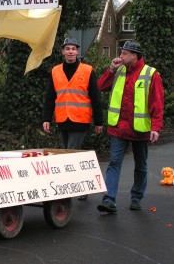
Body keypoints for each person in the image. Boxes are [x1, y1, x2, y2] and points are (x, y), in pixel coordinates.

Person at [96, 40, 164, 214]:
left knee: (140, 165)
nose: (121, 56)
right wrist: (111, 69)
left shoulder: (151, 74)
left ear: (134, 55)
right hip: (119, 128)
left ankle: (136, 197)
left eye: (124, 53)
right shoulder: (119, 71)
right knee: (114, 163)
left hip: (139, 130)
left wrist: (155, 127)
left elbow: (157, 102)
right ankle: (109, 199)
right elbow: (101, 86)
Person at [43, 38, 103, 200]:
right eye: (67, 48)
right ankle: (82, 186)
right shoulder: (55, 71)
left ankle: (72, 190)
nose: (70, 51)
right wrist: (46, 118)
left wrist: (99, 121)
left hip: (80, 119)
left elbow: (96, 97)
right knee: (71, 154)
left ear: (78, 52)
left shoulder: (87, 70)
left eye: (73, 49)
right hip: (63, 119)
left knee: (69, 154)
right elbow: (50, 97)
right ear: (62, 52)